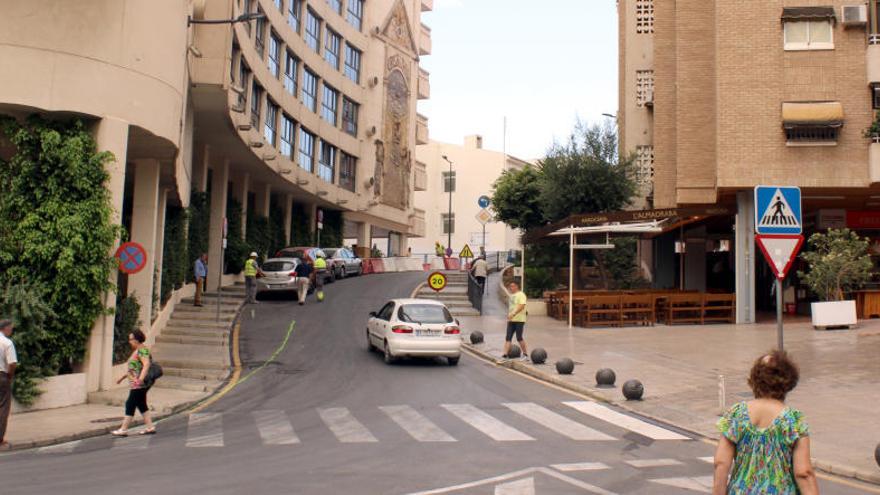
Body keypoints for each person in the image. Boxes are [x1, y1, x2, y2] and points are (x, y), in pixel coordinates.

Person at [712, 350, 818, 495]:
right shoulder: (793, 420)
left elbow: (721, 463)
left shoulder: (737, 414)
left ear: (754, 379)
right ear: (788, 383)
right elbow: (803, 472)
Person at [112, 330, 157, 436]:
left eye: (131, 339)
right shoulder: (138, 350)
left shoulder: (142, 351)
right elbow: (134, 368)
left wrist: (140, 379)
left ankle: (123, 429)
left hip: (139, 384)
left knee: (130, 403)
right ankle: (150, 427)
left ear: (136, 340)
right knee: (141, 404)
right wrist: (122, 377)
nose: (129, 341)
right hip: (136, 383)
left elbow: (146, 365)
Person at [0, 319, 17, 450]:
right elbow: (12, 363)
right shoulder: (7, 343)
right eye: (11, 328)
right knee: (3, 407)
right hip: (2, 376)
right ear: (5, 328)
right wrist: (9, 376)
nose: (11, 330)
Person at [503, 281, 529, 361]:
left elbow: (521, 306)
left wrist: (513, 313)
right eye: (510, 286)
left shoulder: (521, 295)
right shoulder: (511, 296)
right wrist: (510, 315)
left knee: (519, 337)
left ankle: (525, 354)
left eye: (513, 286)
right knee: (508, 337)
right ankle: (505, 355)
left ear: (517, 286)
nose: (511, 288)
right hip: (511, 320)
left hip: (519, 319)